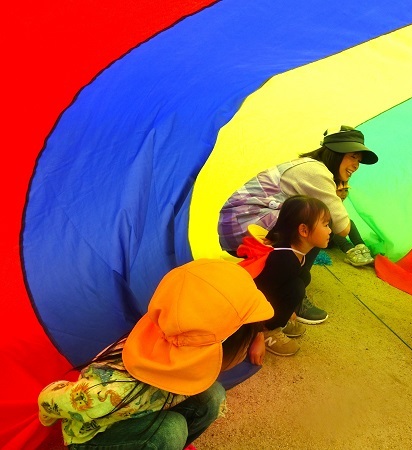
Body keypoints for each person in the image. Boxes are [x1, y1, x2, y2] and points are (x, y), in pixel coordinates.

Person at [38, 259, 274, 449]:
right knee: (170, 431)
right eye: (251, 336)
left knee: (212, 397)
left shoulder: (175, 334)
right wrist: (48, 414)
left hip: (142, 408)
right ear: (220, 346)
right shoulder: (113, 393)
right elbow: (49, 398)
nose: (252, 342)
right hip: (95, 436)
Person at [218, 125, 378, 324]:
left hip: (240, 223)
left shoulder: (310, 166)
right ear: (336, 152)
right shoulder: (316, 172)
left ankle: (282, 286)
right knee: (314, 225)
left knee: (314, 220)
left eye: (359, 160)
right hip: (242, 227)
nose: (356, 165)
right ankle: (291, 297)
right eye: (353, 156)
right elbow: (343, 227)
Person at [249, 195, 332, 356]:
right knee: (296, 288)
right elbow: (258, 295)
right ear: (304, 230)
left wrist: (285, 312)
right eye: (326, 225)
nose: (329, 231)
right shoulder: (284, 260)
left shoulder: (295, 252)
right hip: (251, 310)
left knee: (303, 277)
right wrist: (257, 333)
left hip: (265, 299)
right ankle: (267, 330)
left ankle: (276, 320)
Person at [329, 180, 374, 266]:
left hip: (333, 240)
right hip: (323, 241)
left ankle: (361, 246)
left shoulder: (339, 204)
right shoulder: (327, 204)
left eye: (346, 190)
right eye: (340, 190)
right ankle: (350, 251)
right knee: (335, 223)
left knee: (349, 221)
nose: (344, 194)